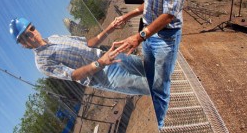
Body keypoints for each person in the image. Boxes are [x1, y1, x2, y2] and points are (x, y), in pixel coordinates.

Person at [113, 0, 188, 130]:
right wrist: (126, 16)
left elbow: (168, 15)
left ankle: (159, 125)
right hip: (148, 36)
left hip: (165, 38)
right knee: (149, 76)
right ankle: (153, 112)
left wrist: (139, 36)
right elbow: (146, 4)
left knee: (160, 84)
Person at [9, 17, 150, 96]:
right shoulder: (42, 63)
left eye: (31, 28)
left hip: (111, 57)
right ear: (22, 44)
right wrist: (100, 63)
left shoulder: (54, 37)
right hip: (104, 75)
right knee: (152, 86)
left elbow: (88, 43)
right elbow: (74, 75)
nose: (32, 34)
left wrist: (110, 28)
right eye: (26, 35)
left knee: (153, 70)